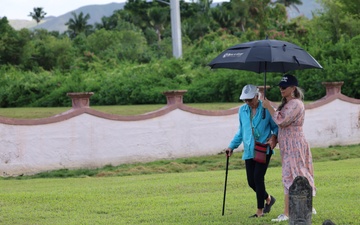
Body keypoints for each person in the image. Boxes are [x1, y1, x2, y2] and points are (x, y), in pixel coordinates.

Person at [262, 74, 316, 222]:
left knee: (295, 175)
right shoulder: (287, 104)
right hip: (288, 145)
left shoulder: (296, 104)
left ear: (293, 88)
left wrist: (269, 107)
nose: (281, 89)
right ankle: (305, 205)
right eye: (280, 87)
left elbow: (282, 120)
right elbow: (283, 127)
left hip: (295, 144)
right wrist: (275, 138)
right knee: (292, 175)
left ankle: (289, 212)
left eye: (284, 87)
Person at [225, 84, 278, 218]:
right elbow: (241, 131)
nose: (248, 102)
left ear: (257, 96)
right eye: (245, 100)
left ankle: (259, 211)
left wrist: (273, 137)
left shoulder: (266, 109)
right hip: (249, 150)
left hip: (263, 149)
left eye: (250, 99)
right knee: (251, 182)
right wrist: (231, 146)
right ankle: (268, 198)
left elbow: (276, 127)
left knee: (258, 178)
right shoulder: (242, 110)